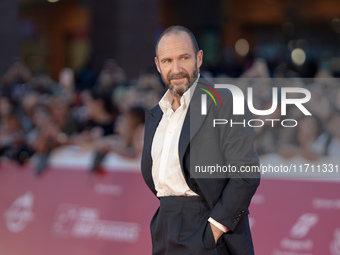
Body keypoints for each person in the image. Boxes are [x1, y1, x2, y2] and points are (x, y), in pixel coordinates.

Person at [141, 25, 260, 255]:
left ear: (199, 58)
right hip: (163, 227)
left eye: (184, 58)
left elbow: (246, 175)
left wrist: (214, 229)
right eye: (167, 61)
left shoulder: (224, 101)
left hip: (209, 230)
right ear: (158, 65)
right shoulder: (156, 114)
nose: (176, 69)